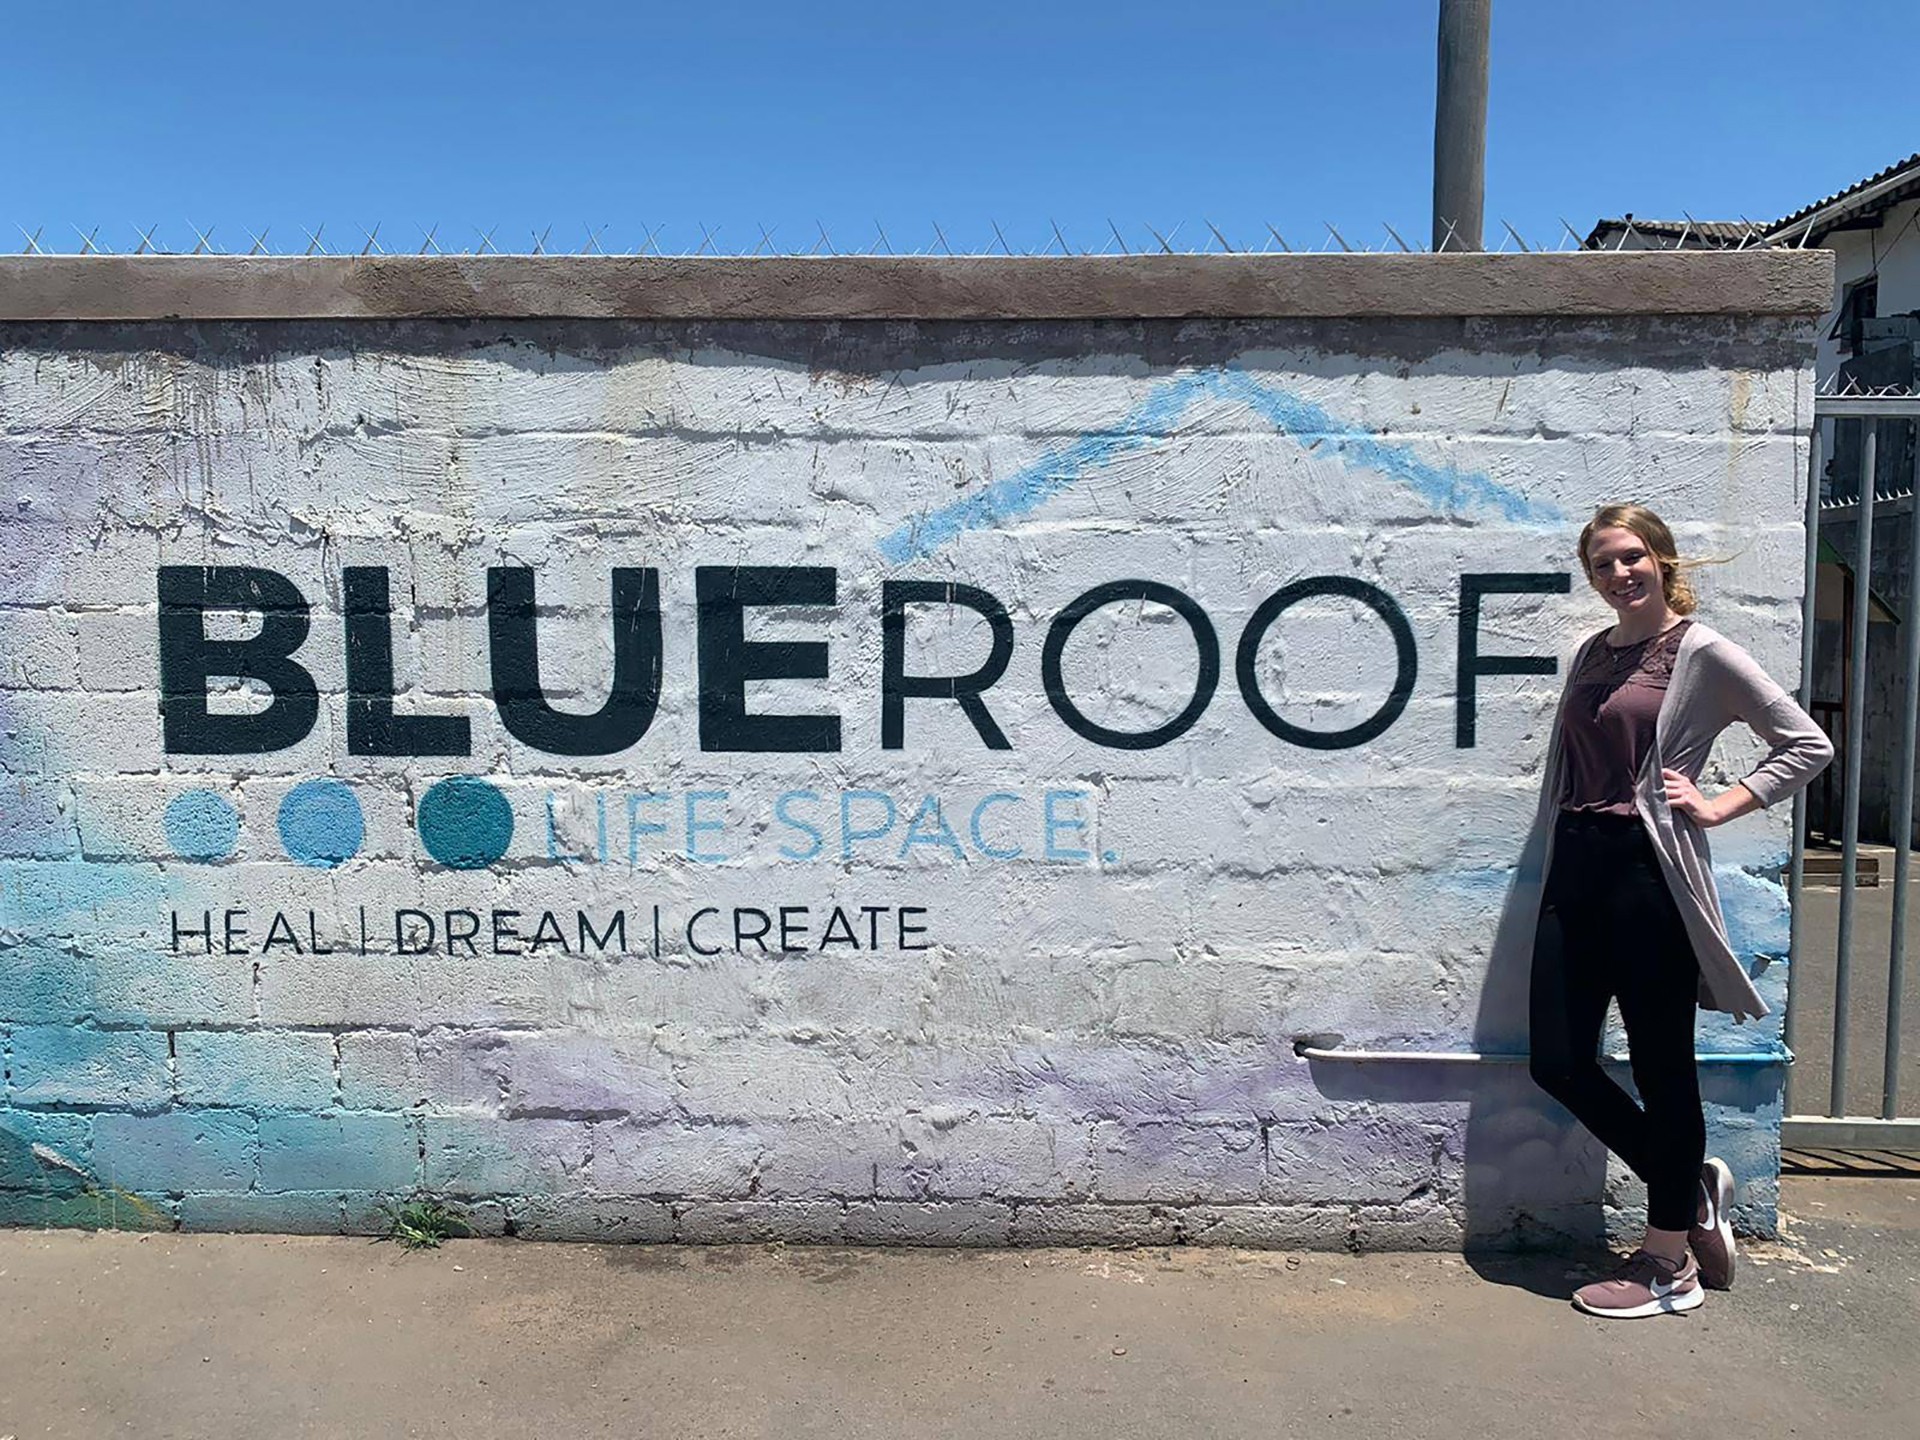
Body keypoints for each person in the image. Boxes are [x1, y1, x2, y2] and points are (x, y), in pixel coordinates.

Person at [1525, 503, 1832, 1319]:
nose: (1618, 574)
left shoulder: (1700, 652)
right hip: (1576, 867)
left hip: (1647, 875)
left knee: (1664, 1069)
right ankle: (1688, 1190)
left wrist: (1723, 803)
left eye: (1631, 557)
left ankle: (1668, 1265)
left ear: (1661, 559)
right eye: (1602, 564)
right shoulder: (1593, 652)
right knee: (1557, 1061)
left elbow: (1806, 743)